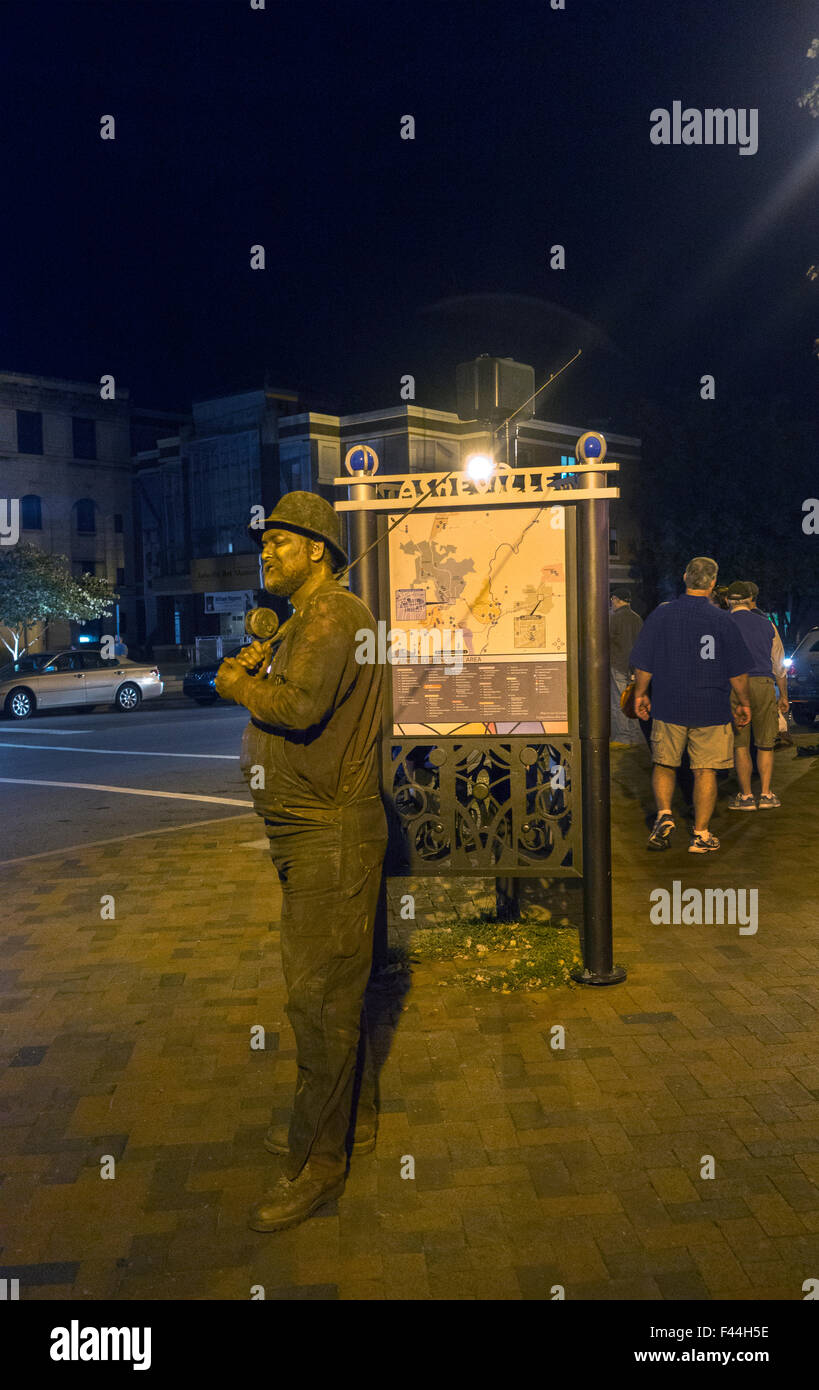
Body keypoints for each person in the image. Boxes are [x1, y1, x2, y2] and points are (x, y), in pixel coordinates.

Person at [214, 492, 388, 1233]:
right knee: (334, 988)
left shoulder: (333, 614)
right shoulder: (308, 619)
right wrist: (267, 664)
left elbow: (299, 707)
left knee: (316, 1001)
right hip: (305, 829)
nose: (266, 554)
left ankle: (316, 1163)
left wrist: (240, 686)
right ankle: (354, 1124)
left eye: (280, 543)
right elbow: (299, 690)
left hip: (329, 833)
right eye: (265, 544)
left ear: (317, 549)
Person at [629, 556, 752, 853]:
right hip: (711, 707)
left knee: (664, 763)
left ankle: (664, 815)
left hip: (669, 704)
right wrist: (743, 703)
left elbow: (644, 661)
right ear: (712, 583)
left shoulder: (661, 615)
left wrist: (641, 693)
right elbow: (737, 673)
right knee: (705, 770)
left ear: (685, 577)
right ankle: (700, 833)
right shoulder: (723, 620)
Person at [724, 581, 789, 808]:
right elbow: (779, 664)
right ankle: (767, 794)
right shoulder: (767, 625)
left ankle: (746, 796)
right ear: (750, 600)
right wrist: (783, 695)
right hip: (763, 682)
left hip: (734, 685)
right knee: (765, 743)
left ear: (727, 600)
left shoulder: (723, 622)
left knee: (740, 744)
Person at [609, 587, 643, 746]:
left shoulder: (614, 619)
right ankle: (635, 737)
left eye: (613, 601)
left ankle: (622, 737)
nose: (612, 604)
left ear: (617, 599)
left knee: (619, 702)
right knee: (632, 701)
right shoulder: (637, 619)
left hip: (618, 666)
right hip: (634, 668)